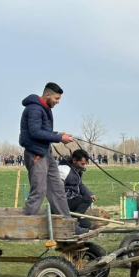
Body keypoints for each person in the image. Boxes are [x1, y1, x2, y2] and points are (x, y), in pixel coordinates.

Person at [18, 82, 85, 234]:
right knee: (39, 190)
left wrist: (58, 134)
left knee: (57, 189)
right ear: (47, 94)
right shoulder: (34, 108)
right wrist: (58, 138)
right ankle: (25, 225)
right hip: (36, 154)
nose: (58, 102)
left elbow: (41, 131)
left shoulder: (44, 108)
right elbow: (35, 132)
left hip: (46, 153)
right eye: (56, 98)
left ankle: (68, 225)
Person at [58, 149, 96, 230]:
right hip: (65, 201)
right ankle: (76, 217)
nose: (83, 166)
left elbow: (80, 185)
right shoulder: (63, 170)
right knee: (87, 199)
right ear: (74, 160)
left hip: (74, 199)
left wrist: (89, 193)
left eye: (84, 164)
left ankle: (78, 216)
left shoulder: (77, 170)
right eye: (82, 163)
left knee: (87, 225)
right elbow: (58, 189)